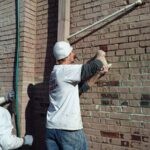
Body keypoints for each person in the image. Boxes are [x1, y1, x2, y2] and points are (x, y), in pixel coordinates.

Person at [46, 41, 111, 150]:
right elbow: (95, 66)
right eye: (72, 52)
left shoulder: (56, 72)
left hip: (51, 128)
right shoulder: (66, 71)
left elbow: (80, 89)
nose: (74, 54)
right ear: (67, 55)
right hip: (68, 130)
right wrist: (100, 54)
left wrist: (98, 74)